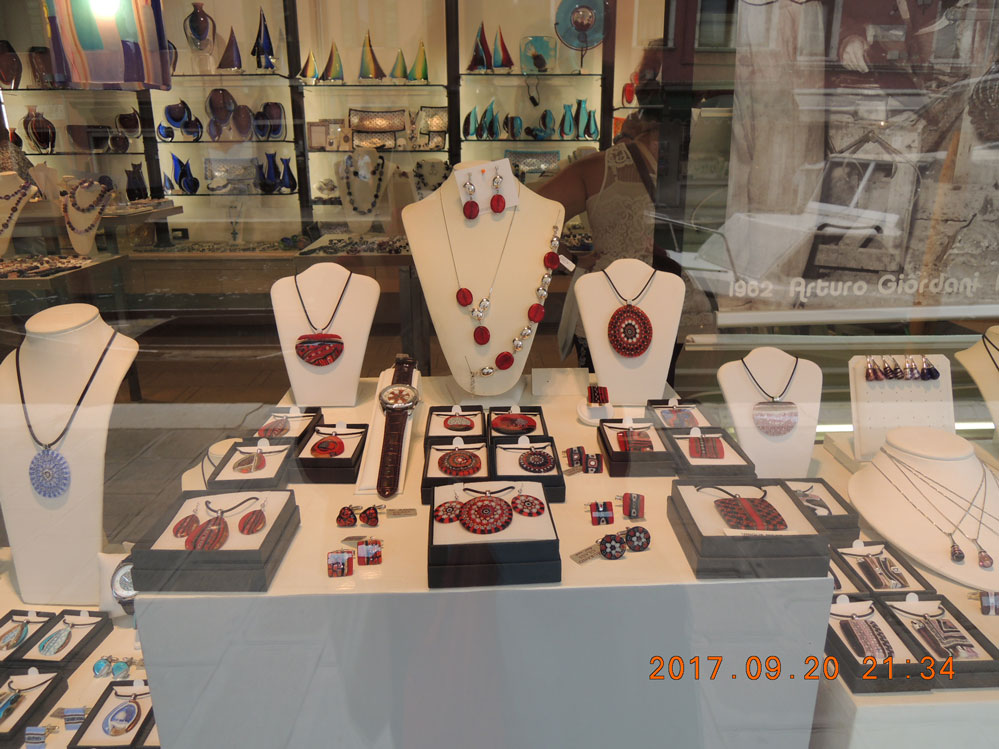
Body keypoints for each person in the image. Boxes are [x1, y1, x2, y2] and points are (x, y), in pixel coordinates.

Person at [537, 39, 713, 377]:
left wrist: (571, 261)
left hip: (612, 309)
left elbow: (531, 218)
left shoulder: (599, 168)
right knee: (664, 399)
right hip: (681, 312)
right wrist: (571, 261)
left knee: (604, 400)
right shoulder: (713, 163)